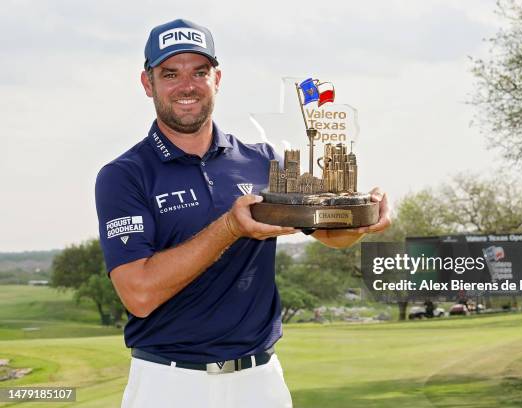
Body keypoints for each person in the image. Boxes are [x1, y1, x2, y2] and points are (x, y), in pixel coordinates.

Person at [95, 18, 390, 408]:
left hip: (260, 382)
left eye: (200, 72)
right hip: (169, 383)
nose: (187, 86)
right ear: (148, 83)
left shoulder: (262, 160)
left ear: (217, 79)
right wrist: (231, 227)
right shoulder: (124, 175)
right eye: (170, 74)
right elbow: (139, 294)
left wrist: (363, 219)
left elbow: (329, 233)